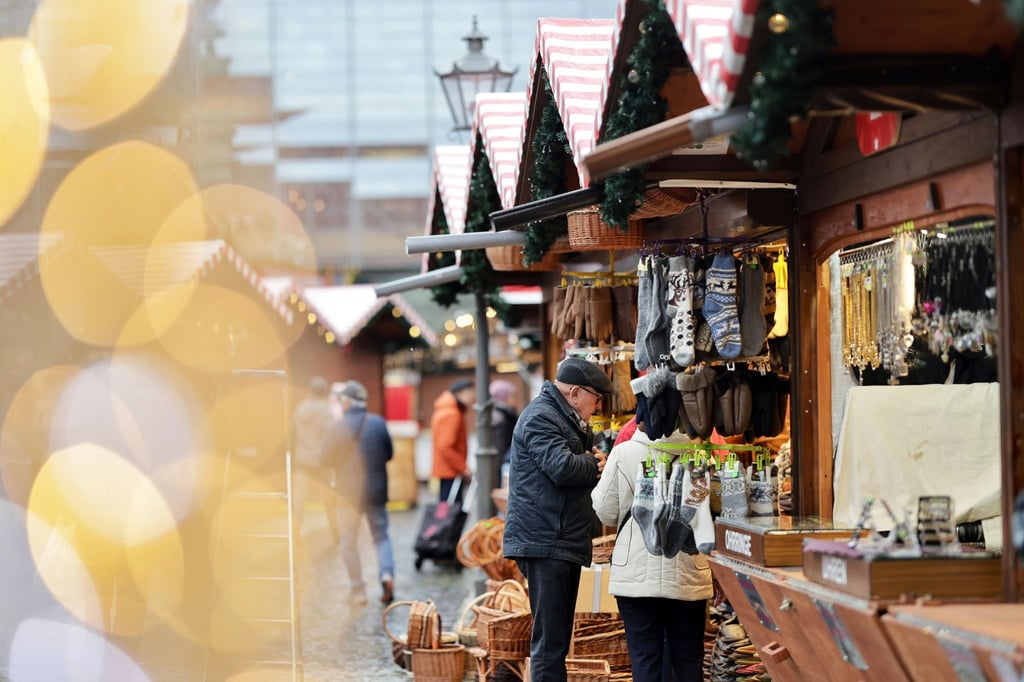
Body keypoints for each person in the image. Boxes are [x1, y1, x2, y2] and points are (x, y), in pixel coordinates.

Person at [502, 357, 614, 682]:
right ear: (576, 392)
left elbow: (572, 461)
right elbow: (562, 467)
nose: (596, 408)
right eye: (595, 399)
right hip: (545, 543)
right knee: (550, 644)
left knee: (557, 641)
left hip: (560, 541)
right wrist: (593, 464)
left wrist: (590, 458)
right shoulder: (540, 417)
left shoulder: (564, 417)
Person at [591, 426, 713, 682]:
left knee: (645, 660)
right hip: (688, 571)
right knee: (688, 660)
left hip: (635, 575)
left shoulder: (623, 453)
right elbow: (713, 513)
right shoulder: (702, 456)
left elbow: (605, 511)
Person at [324, 380, 396, 605]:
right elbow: (388, 454)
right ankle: (386, 574)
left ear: (346, 402)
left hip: (348, 494)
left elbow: (323, 459)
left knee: (349, 541)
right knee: (381, 536)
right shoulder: (377, 422)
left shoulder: (336, 427)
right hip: (376, 491)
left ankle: (358, 591)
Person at [290, 376, 337, 538]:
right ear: (324, 392)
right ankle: (335, 532)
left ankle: (295, 532)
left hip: (302, 460)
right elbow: (330, 436)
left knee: (299, 498)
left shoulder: (299, 409)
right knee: (328, 498)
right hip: (320, 462)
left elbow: (292, 434)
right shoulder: (325, 410)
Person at [430, 378, 475, 503]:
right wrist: (463, 468)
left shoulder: (447, 410)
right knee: (450, 512)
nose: (473, 396)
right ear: (460, 392)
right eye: (470, 392)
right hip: (451, 472)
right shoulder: (451, 413)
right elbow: (445, 446)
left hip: (448, 470)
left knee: (447, 510)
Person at [489, 378, 519, 471]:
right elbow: (500, 447)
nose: (515, 399)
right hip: (504, 466)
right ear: (504, 397)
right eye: (512, 396)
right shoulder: (501, 418)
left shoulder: (506, 414)